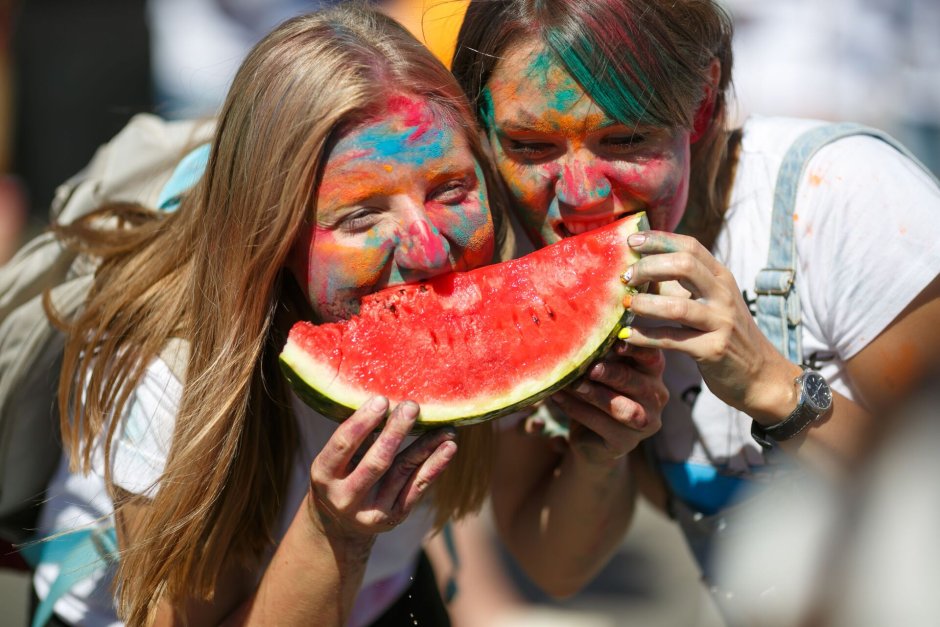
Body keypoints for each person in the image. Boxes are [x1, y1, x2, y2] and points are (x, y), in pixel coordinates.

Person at [31, 4, 666, 625]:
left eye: (450, 191)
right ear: (270, 235)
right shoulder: (168, 374)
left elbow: (555, 568)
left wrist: (595, 456)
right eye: (361, 216)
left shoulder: (500, 267)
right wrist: (331, 531)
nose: (428, 251)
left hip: (379, 592)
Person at [451, 0, 940, 615]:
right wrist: (598, 457)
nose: (579, 197)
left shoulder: (843, 196)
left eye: (625, 138)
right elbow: (555, 570)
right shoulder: (515, 259)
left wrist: (772, 385)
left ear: (702, 103)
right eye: (529, 145)